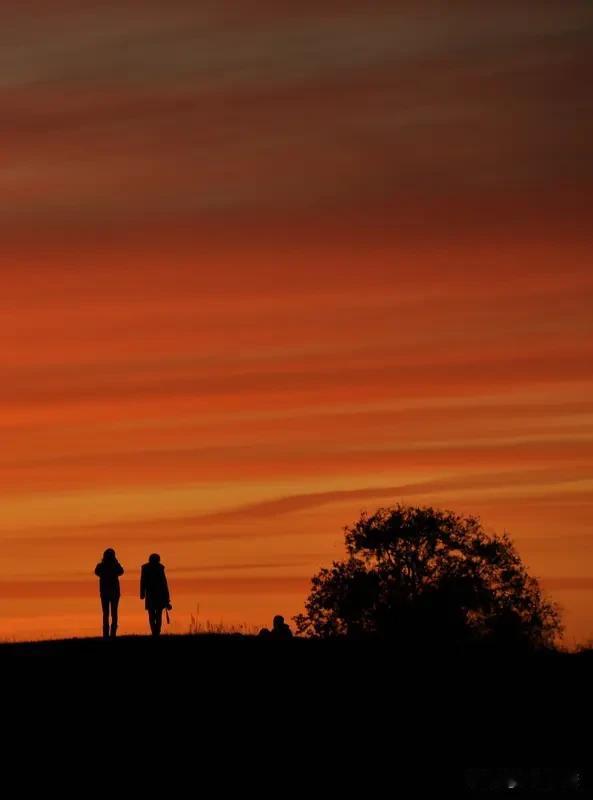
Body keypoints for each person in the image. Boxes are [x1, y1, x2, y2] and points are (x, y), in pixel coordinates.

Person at [94, 548, 124, 639]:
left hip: (106, 592)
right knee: (113, 612)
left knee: (106, 613)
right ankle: (112, 633)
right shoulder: (112, 565)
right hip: (112, 592)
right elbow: (121, 571)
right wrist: (116, 562)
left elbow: (97, 572)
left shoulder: (101, 566)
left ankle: (107, 634)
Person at [140, 553, 172, 637]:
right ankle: (156, 632)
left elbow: (143, 581)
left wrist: (142, 593)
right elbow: (164, 583)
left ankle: (155, 632)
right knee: (157, 615)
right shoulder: (159, 568)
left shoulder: (146, 568)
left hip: (153, 594)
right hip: (156, 594)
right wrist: (167, 598)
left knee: (154, 615)